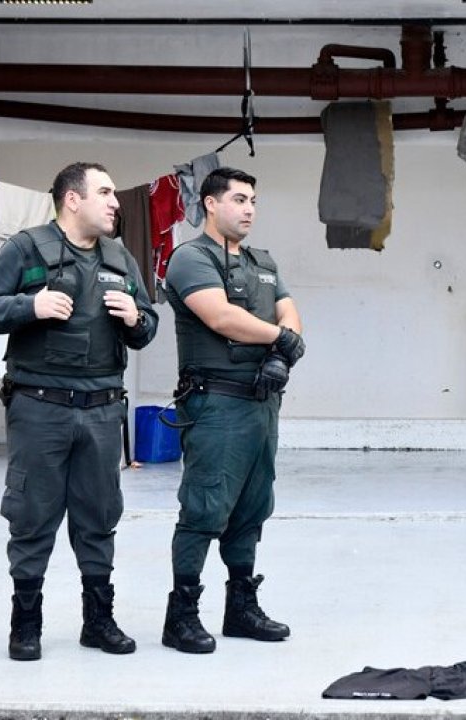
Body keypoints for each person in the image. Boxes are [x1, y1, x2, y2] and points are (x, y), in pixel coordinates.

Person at [0, 162, 158, 661]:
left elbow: (147, 326)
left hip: (102, 411)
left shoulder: (120, 257)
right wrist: (31, 307)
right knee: (31, 516)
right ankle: (26, 624)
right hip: (40, 409)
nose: (115, 202)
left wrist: (137, 318)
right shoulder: (26, 248)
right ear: (73, 199)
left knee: (100, 516)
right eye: (105, 192)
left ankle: (98, 621)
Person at [160, 167, 304, 654]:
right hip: (216, 404)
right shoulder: (191, 258)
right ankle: (181, 615)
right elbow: (221, 317)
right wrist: (282, 339)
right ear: (210, 203)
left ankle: (241, 608)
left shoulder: (263, 261)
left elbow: (289, 309)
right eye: (239, 199)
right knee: (205, 507)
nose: (249, 210)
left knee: (252, 508)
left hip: (262, 403)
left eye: (253, 201)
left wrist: (282, 351)